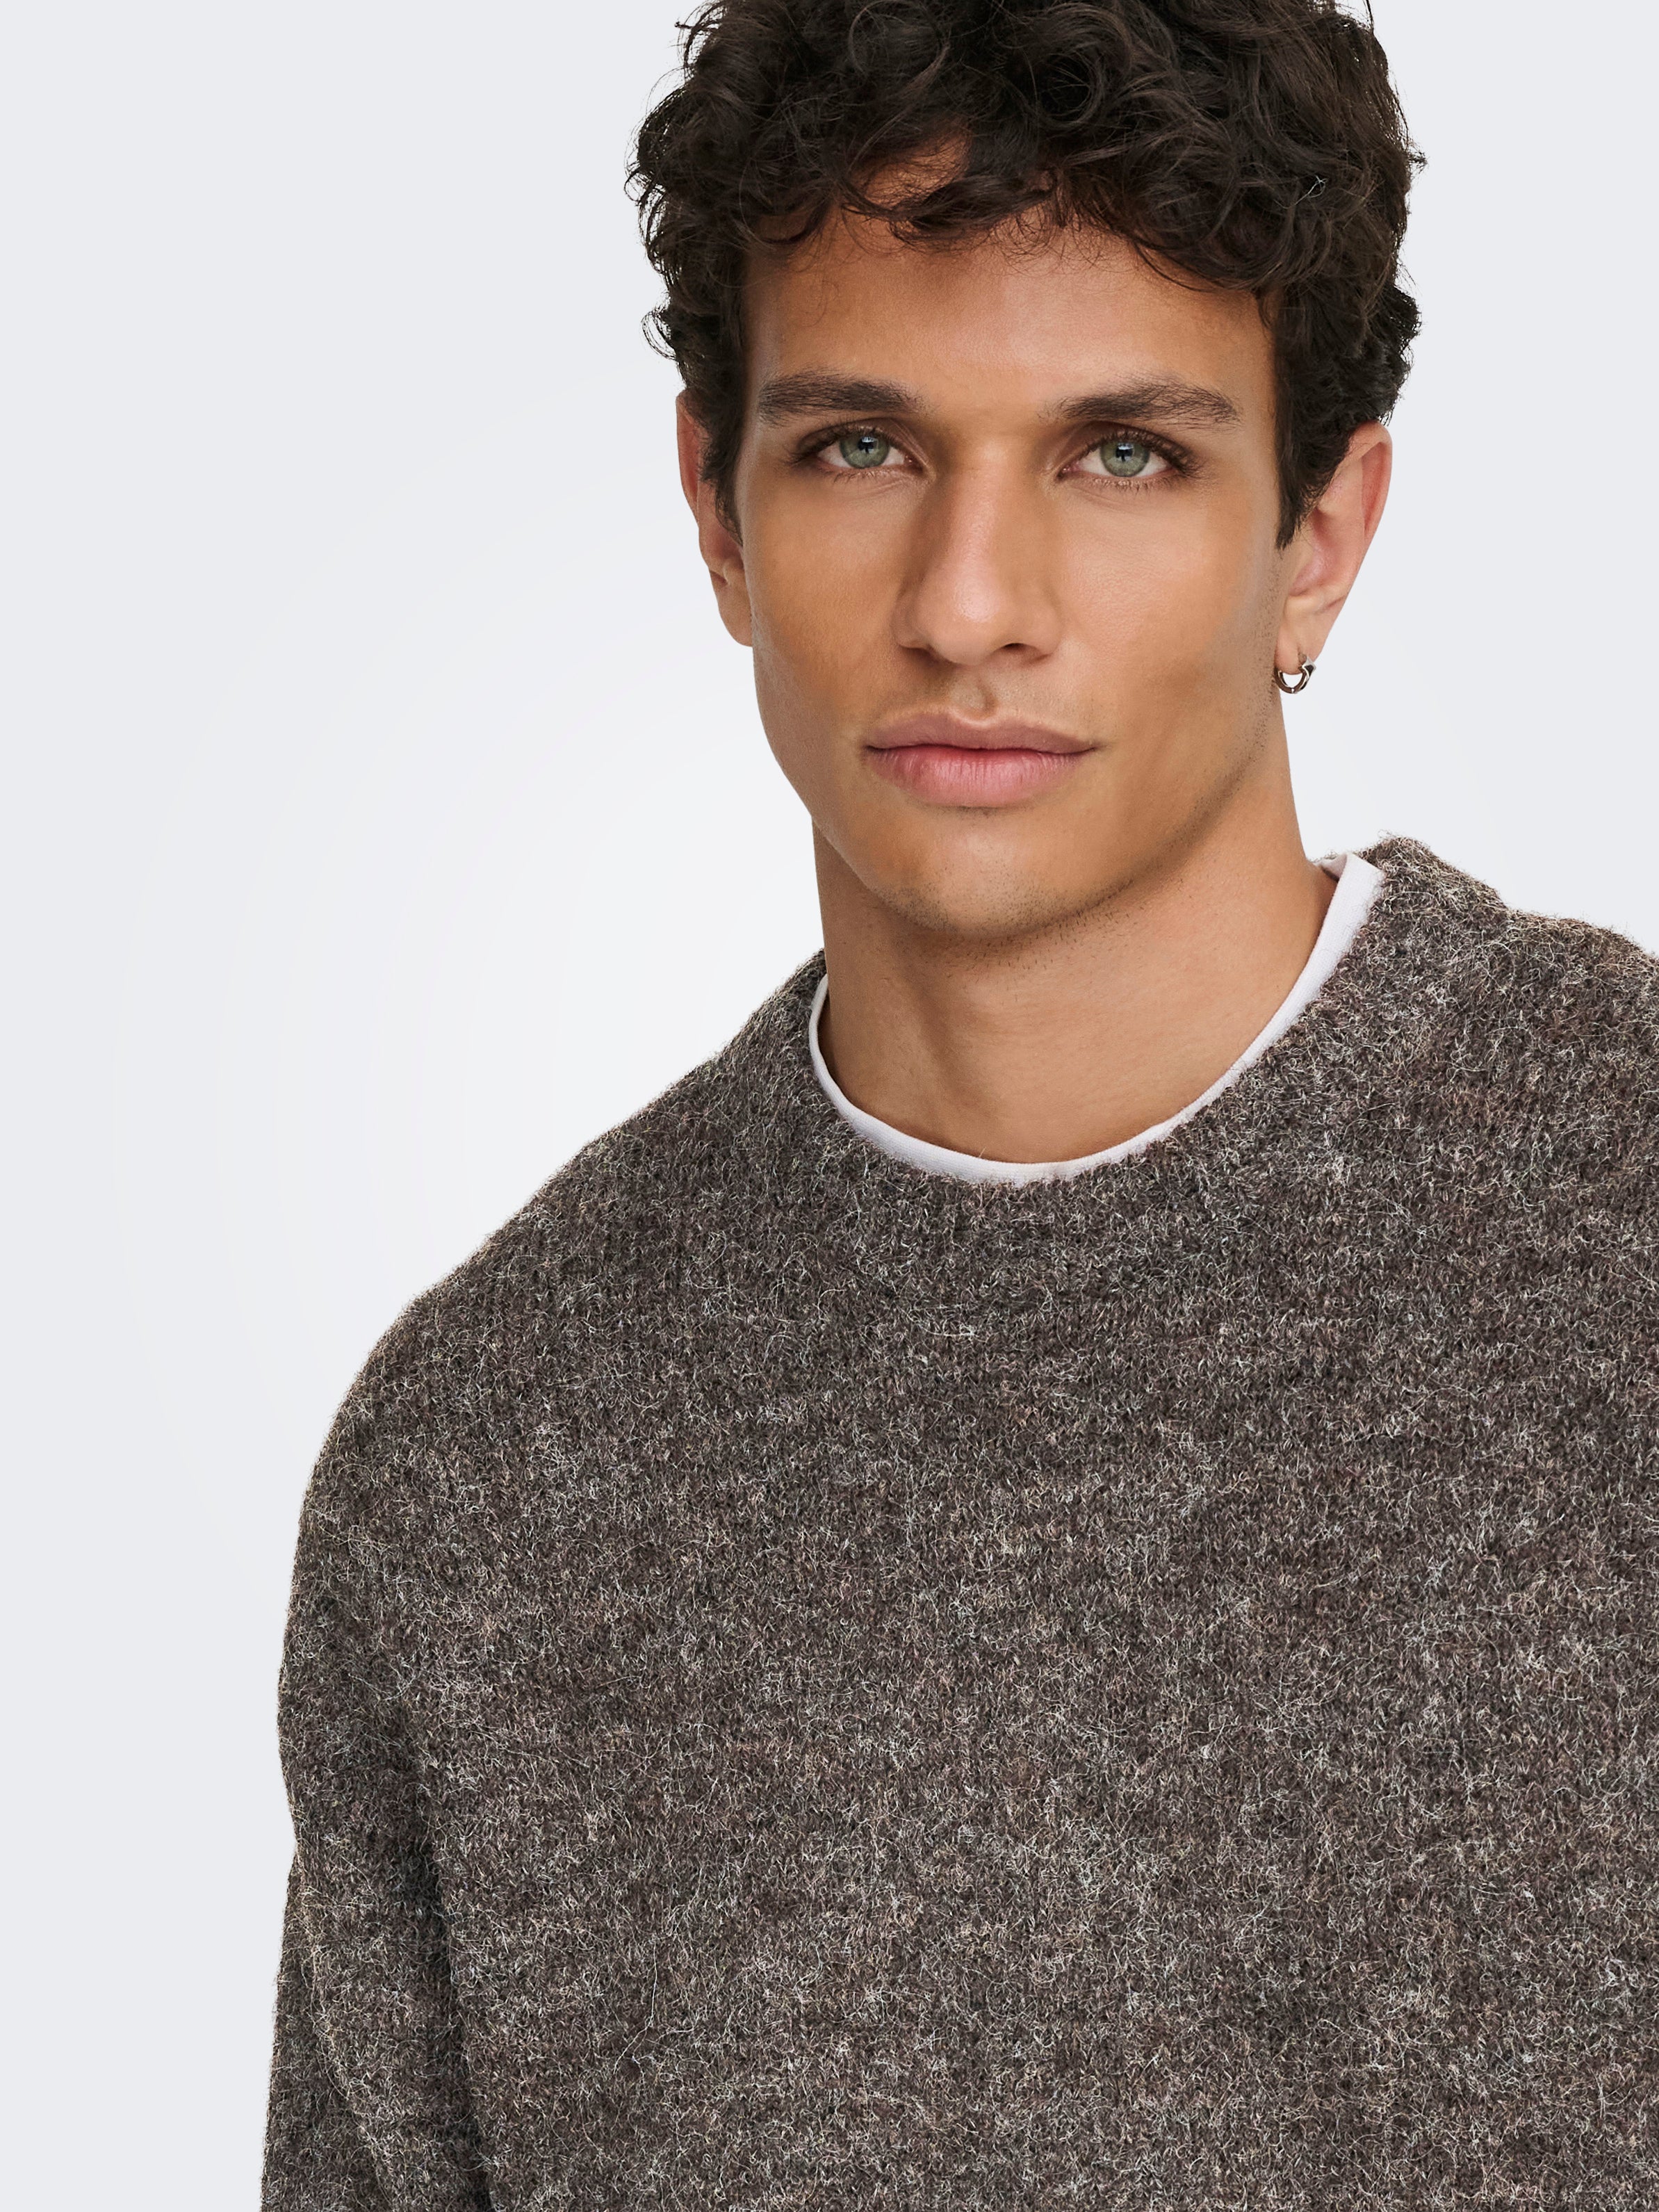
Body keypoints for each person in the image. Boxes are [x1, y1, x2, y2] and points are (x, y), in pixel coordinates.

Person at [261, 2, 1659, 2203]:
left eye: (1121, 455)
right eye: (860, 448)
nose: (969, 606)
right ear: (717, 515)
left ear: (1316, 534)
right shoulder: (486, 1466)